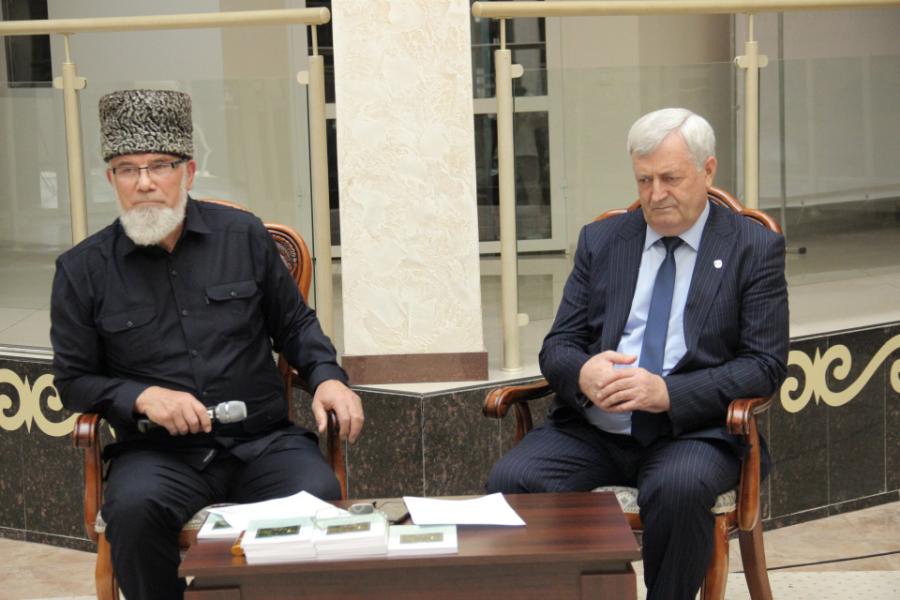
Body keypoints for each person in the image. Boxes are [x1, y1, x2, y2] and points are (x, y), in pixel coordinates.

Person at [50, 89, 364, 600]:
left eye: (160, 165)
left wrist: (328, 377)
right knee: (133, 510)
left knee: (318, 496)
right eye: (127, 169)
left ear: (189, 172)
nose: (144, 182)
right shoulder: (83, 270)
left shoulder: (243, 236)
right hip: (158, 454)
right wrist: (141, 397)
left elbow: (295, 325)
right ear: (111, 180)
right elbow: (73, 381)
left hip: (263, 442)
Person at [487, 107, 788, 599]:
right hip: (594, 430)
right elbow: (558, 345)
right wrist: (583, 373)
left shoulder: (751, 247)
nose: (655, 194)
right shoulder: (604, 240)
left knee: (677, 489)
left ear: (708, 170)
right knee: (513, 479)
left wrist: (667, 393)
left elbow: (764, 365)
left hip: (692, 432)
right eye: (644, 180)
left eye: (670, 178)